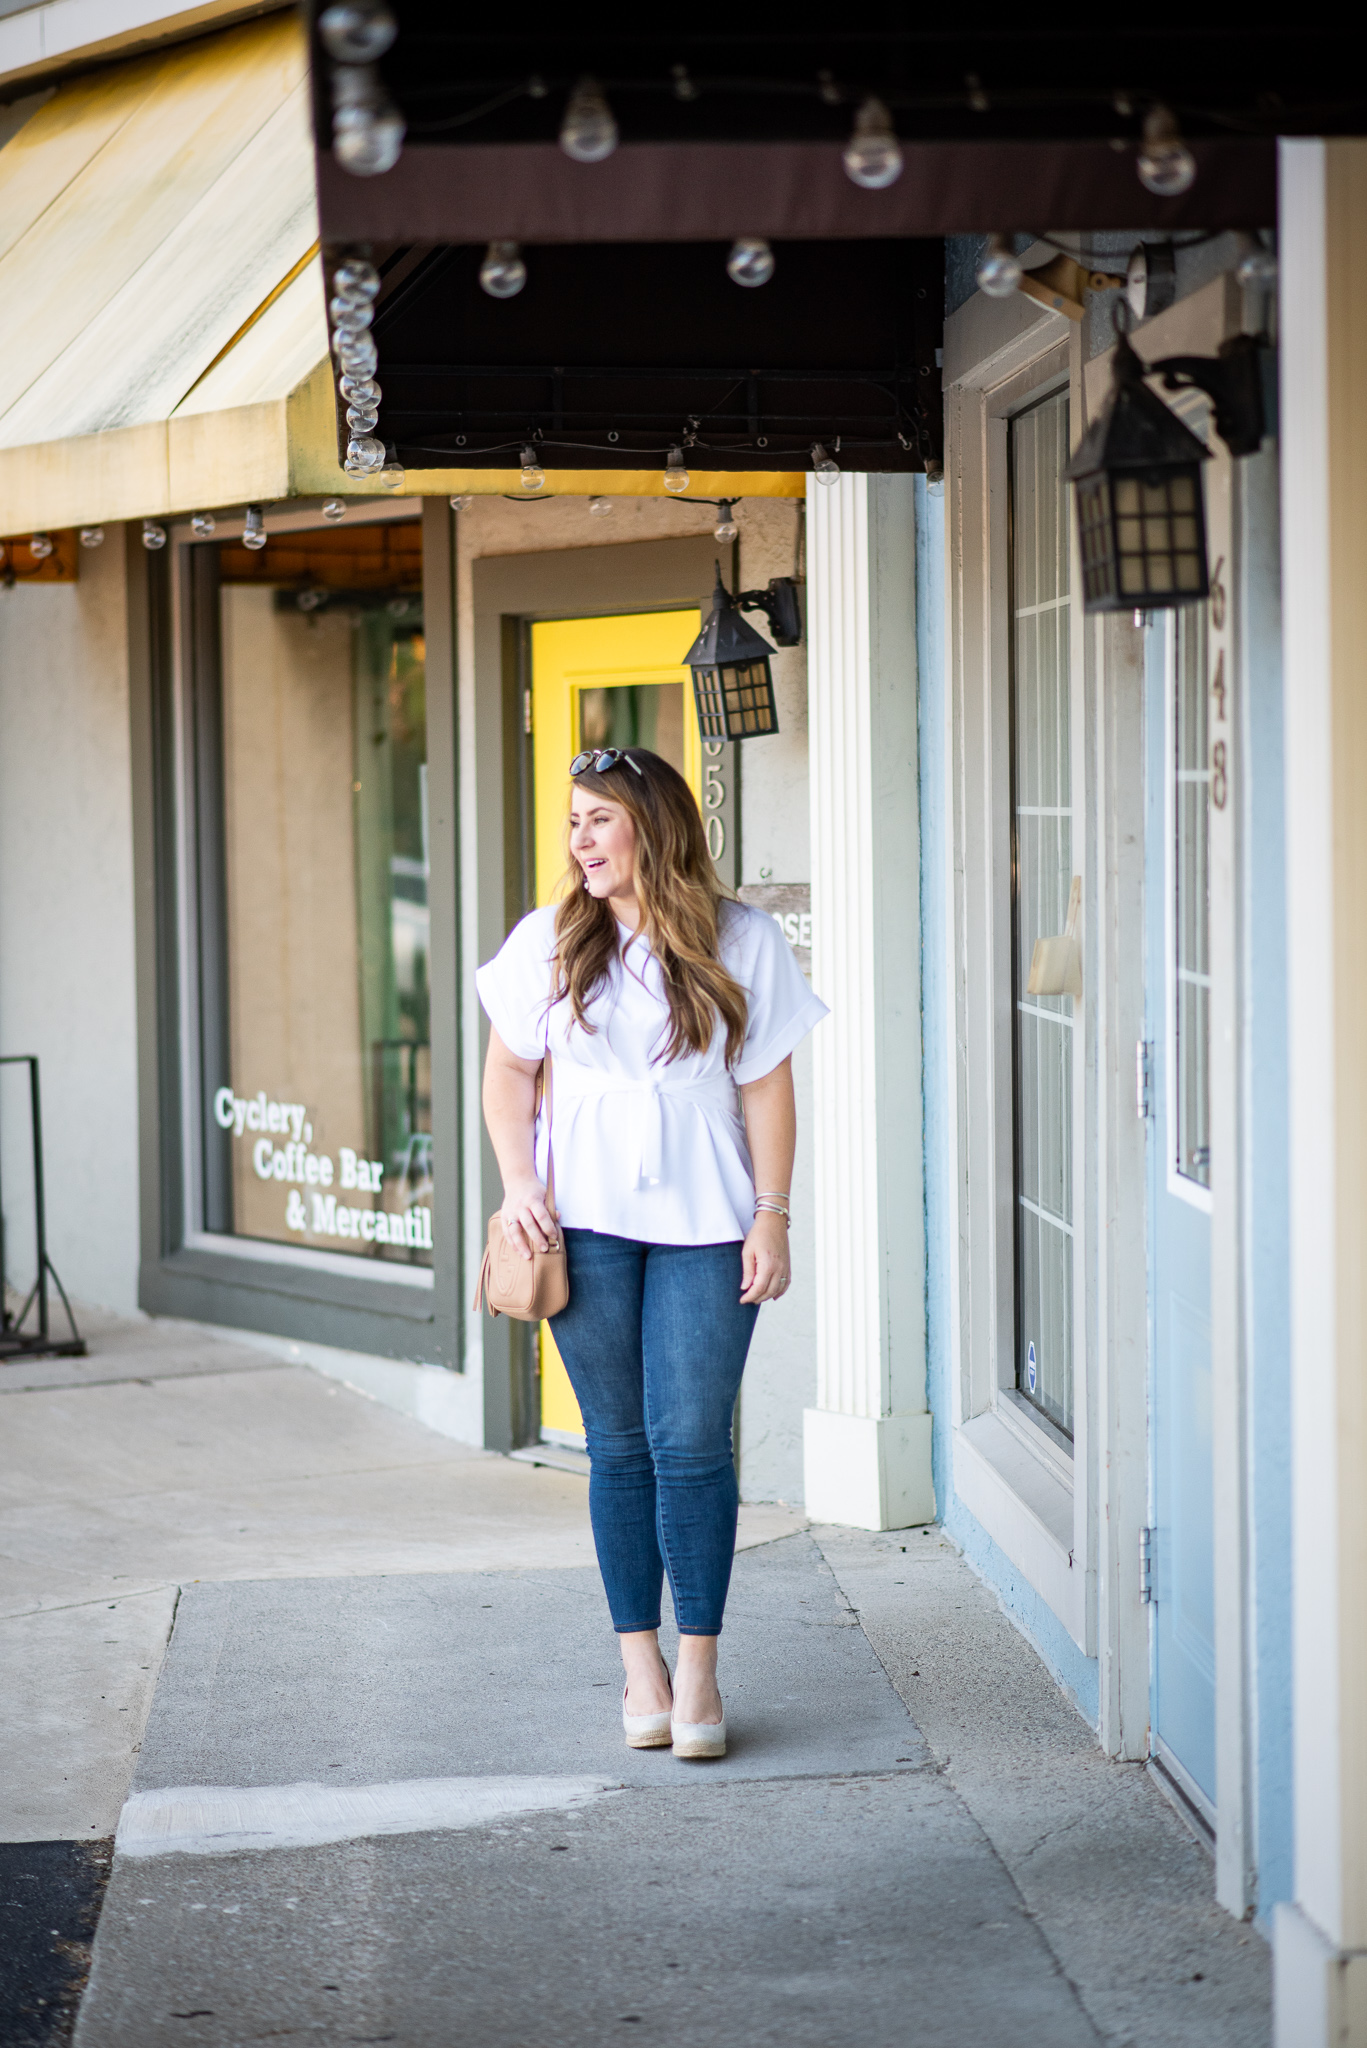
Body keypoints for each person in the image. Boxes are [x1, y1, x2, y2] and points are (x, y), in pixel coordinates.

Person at [476, 745, 827, 1759]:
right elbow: (507, 1073)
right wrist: (518, 1184)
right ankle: (641, 1665)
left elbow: (765, 1084)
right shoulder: (546, 940)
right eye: (571, 821)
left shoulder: (743, 939)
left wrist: (773, 1212)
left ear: (651, 826)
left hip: (710, 1219)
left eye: (596, 819)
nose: (576, 840)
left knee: (690, 1441)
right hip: (577, 1219)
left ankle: (703, 1670)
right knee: (618, 1445)